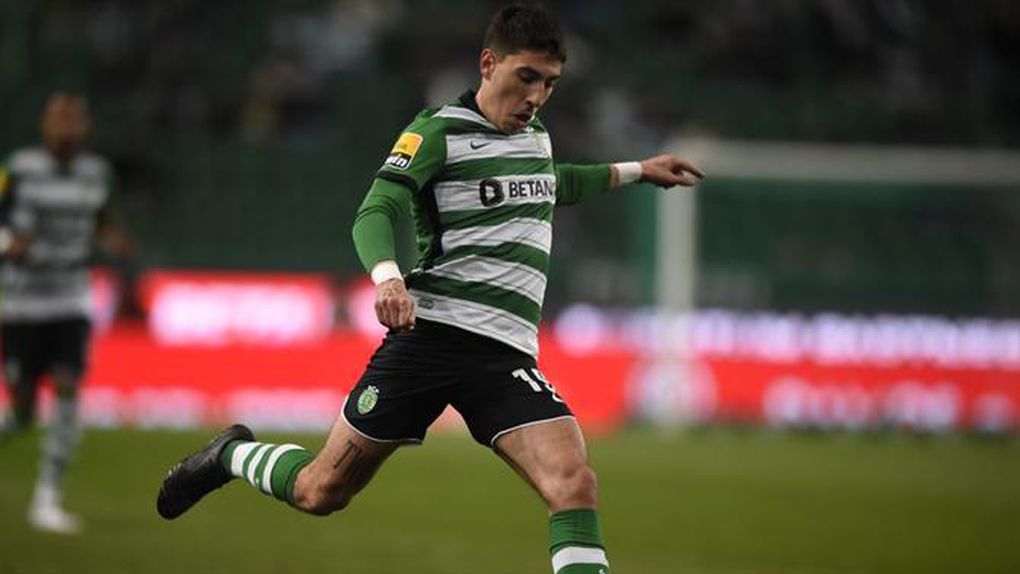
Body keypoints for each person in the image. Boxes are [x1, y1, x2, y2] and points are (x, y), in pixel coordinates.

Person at [156, 4, 703, 573]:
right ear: (488, 64)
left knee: (574, 483)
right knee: (321, 491)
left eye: (549, 83)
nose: (536, 96)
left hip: (505, 355)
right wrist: (388, 278)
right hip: (432, 337)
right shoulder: (438, 131)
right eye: (526, 77)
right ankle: (231, 454)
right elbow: (377, 207)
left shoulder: (535, 139)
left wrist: (636, 170)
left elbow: (552, 183)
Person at [0, 92, 126, 534]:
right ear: (45, 125)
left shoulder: (96, 173)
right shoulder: (18, 169)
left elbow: (101, 219)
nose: (67, 128)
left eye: (75, 120)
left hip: (71, 299)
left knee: (68, 388)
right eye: (60, 119)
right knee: (23, 412)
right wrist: (8, 244)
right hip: (23, 302)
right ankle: (21, 426)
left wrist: (111, 238)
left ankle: (48, 498)